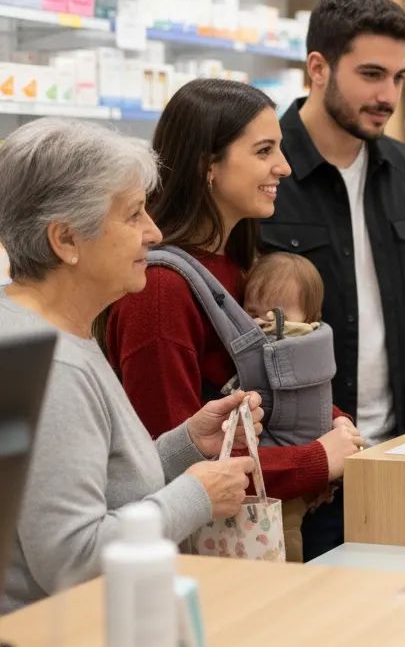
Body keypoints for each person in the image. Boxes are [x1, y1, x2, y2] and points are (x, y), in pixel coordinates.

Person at [0, 119, 257, 613]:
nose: (154, 233)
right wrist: (196, 496)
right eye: (134, 215)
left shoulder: (54, 327)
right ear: (66, 240)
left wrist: (185, 447)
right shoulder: (53, 367)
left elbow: (89, 486)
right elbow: (72, 558)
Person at [105, 79, 362, 560]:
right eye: (264, 151)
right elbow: (171, 465)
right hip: (203, 553)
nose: (283, 167)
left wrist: (332, 423)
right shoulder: (160, 289)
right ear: (208, 166)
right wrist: (317, 459)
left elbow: (274, 393)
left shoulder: (241, 265)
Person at [261, 0, 405, 446]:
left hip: (401, 446)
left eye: (399, 78)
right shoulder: (267, 167)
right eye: (371, 74)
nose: (388, 96)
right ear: (318, 68)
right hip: (302, 456)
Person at [239, 251, 363, 560]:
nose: (258, 323)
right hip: (292, 463)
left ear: (309, 320)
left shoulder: (303, 348)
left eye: (273, 317)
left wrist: (339, 420)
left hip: (303, 463)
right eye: (250, 312)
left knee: (293, 533)